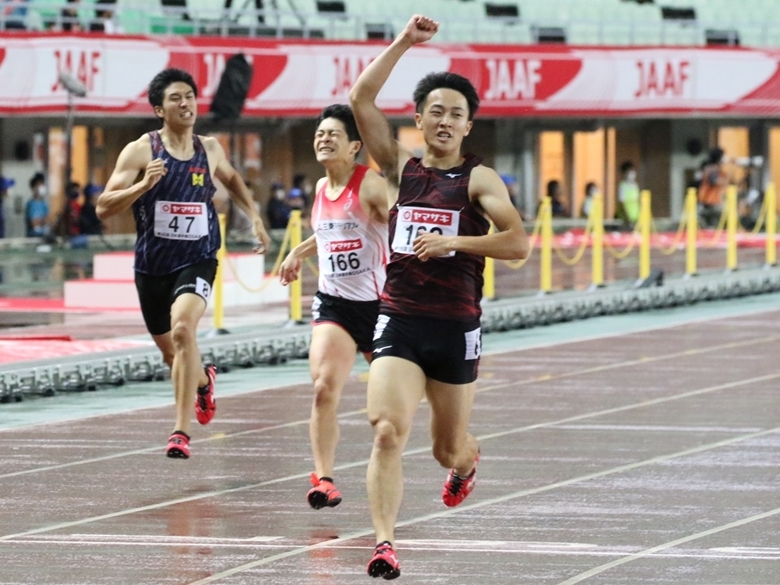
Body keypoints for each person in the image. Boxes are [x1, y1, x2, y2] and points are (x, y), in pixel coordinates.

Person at [349, 15, 528, 579]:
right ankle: (383, 543)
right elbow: (360, 97)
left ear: (468, 125)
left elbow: (518, 243)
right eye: (436, 111)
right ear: (420, 119)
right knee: (384, 430)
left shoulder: (480, 180)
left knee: (444, 449)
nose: (445, 120)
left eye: (456, 113)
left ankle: (466, 461)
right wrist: (405, 42)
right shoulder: (401, 168)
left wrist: (456, 239)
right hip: (399, 319)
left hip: (455, 327)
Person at [96, 68, 270, 459]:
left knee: (182, 329)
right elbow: (103, 207)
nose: (186, 102)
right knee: (173, 354)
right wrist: (142, 186)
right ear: (160, 108)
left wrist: (254, 216)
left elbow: (233, 179)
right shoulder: (142, 151)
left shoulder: (209, 148)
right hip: (152, 265)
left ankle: (179, 432)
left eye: (190, 95)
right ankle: (203, 381)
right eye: (176, 97)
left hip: (199, 257)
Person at [279, 104, 389, 511]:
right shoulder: (321, 190)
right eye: (319, 134)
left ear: (354, 146)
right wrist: (298, 250)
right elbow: (329, 232)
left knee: (390, 412)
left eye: (333, 135)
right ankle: (323, 478)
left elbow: (400, 220)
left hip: (381, 308)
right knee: (324, 388)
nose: (323, 139)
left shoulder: (371, 185)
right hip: (335, 306)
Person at [698, 147, 728, 228]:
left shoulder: (708, 168)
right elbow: (715, 182)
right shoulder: (713, 169)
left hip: (706, 202)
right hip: (711, 203)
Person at [25, 172, 49, 238]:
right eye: (38, 185)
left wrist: (40, 221)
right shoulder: (31, 204)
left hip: (44, 237)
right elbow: (33, 224)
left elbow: (48, 220)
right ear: (33, 188)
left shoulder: (44, 204)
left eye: (42, 184)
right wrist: (42, 221)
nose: (41, 187)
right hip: (33, 237)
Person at [617, 160, 640, 228]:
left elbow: (638, 202)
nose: (632, 174)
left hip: (635, 218)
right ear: (624, 174)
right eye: (629, 172)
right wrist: (626, 218)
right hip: (624, 220)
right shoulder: (622, 186)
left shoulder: (635, 186)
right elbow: (622, 203)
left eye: (633, 171)